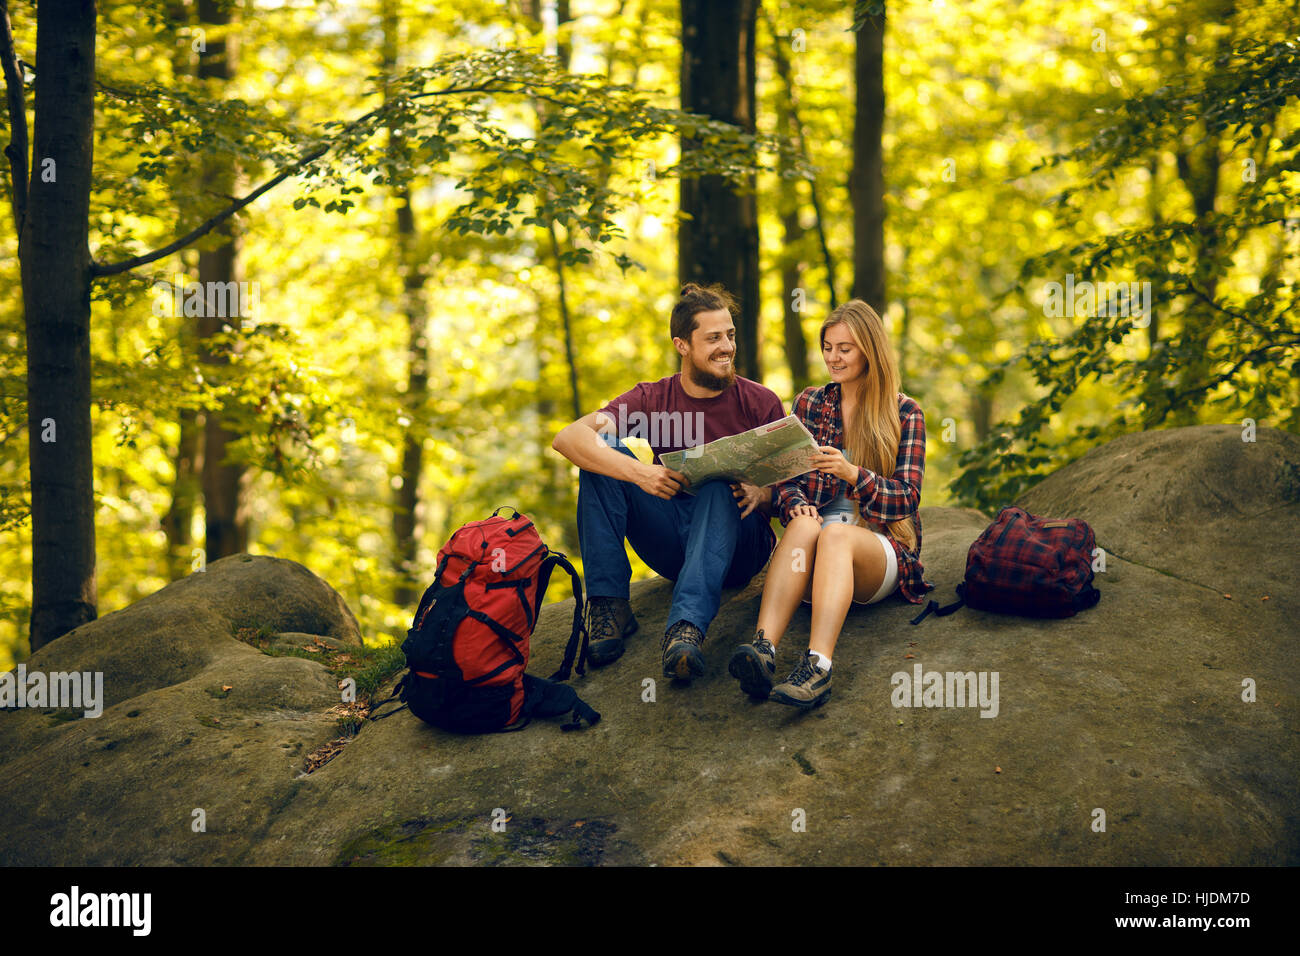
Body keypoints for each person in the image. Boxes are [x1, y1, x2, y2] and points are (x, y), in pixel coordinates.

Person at [551, 284, 787, 682]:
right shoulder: (653, 398)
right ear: (682, 345)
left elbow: (795, 491)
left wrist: (762, 493)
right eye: (713, 338)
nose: (726, 346)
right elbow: (568, 438)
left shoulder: (759, 401)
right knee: (599, 456)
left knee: (715, 486)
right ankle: (610, 606)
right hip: (674, 541)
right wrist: (640, 471)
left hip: (739, 547)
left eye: (729, 335)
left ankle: (686, 629)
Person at [727, 299, 934, 709]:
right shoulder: (810, 403)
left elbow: (908, 498)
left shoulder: (905, 412)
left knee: (836, 534)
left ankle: (818, 667)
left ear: (869, 350)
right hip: (813, 564)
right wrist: (796, 506)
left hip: (876, 550)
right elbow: (784, 478)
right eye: (828, 347)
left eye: (846, 348)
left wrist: (853, 474)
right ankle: (763, 650)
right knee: (806, 526)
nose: (833, 358)